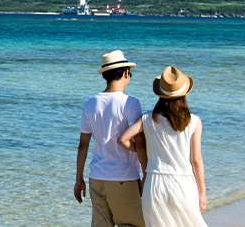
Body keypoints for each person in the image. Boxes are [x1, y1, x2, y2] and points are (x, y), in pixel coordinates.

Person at [119, 66, 208, 227]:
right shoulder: (194, 122)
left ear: (160, 95)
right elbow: (196, 160)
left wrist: (144, 152)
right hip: (183, 185)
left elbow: (123, 139)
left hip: (155, 184)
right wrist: (202, 193)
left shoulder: (147, 119)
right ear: (184, 94)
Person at [75, 50, 146, 227]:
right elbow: (140, 144)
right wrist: (146, 175)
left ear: (104, 76)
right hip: (123, 178)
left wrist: (79, 179)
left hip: (97, 178)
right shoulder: (130, 103)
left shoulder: (90, 103)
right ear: (126, 73)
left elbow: (83, 145)